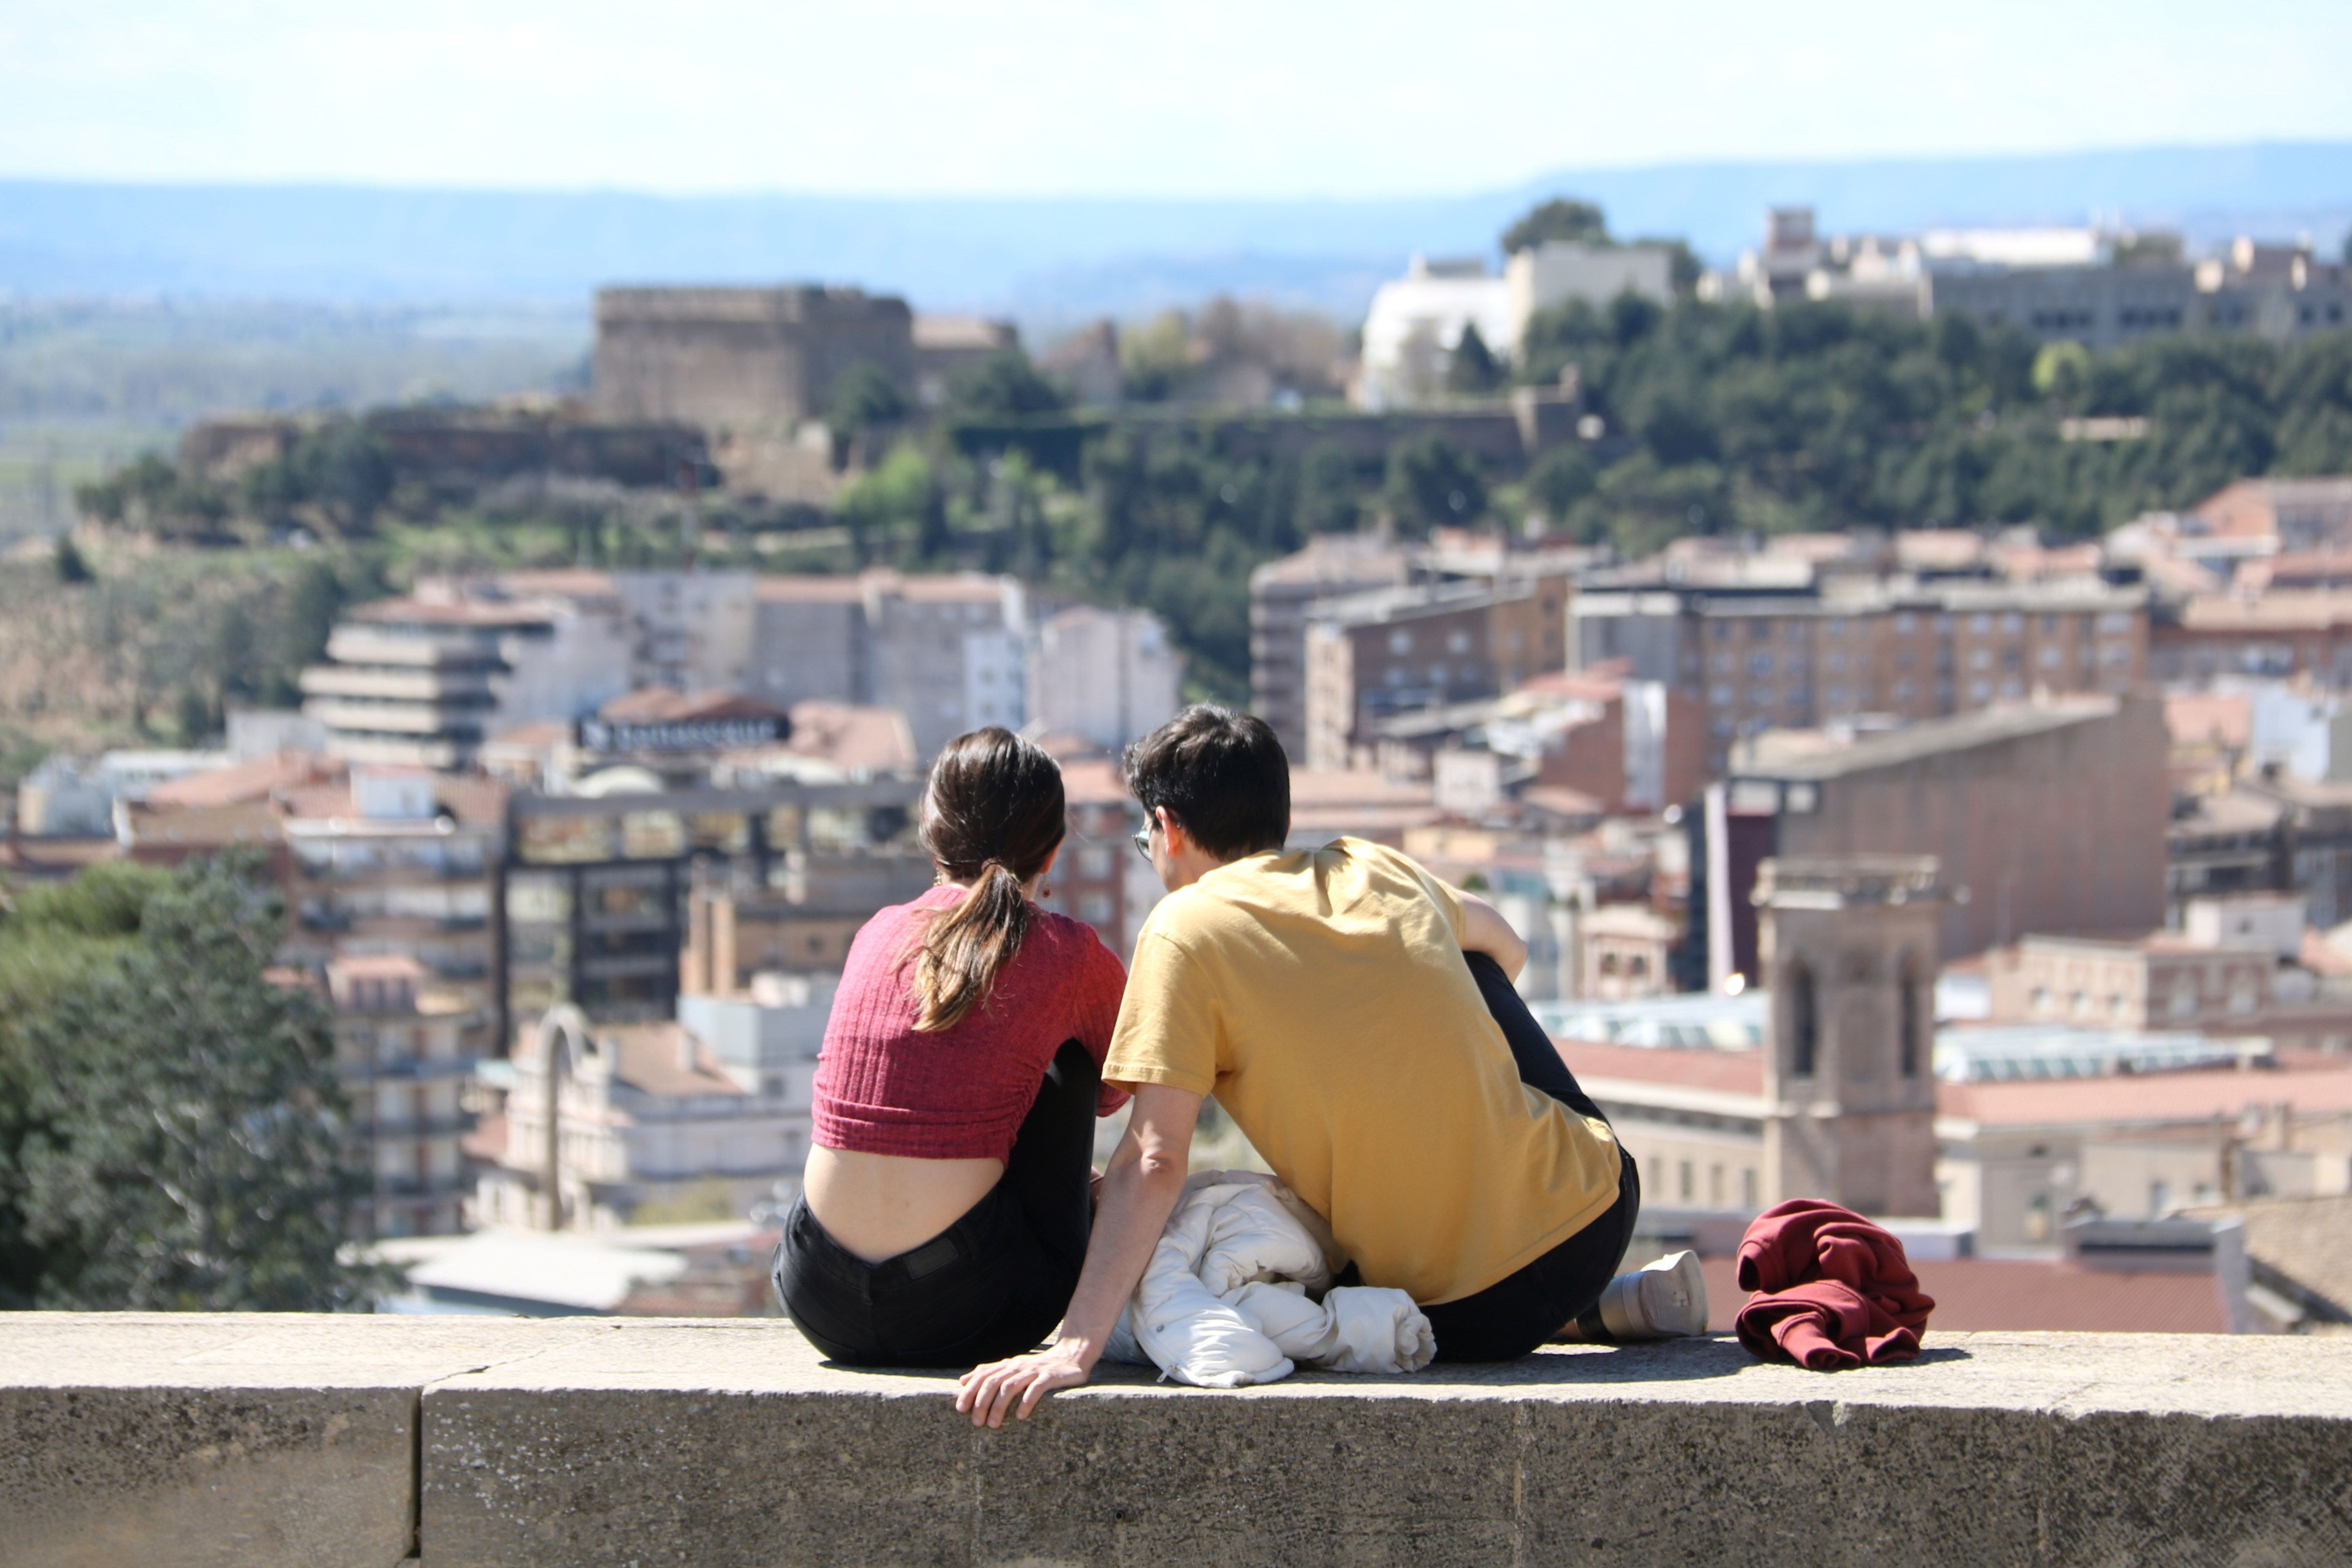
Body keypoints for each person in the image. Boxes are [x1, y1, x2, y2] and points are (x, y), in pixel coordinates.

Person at [957, 704, 1693, 1426]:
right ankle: (1595, 1308)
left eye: (1147, 840)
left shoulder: (1183, 929)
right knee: (1460, 951)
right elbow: (1508, 946)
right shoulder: (1369, 864)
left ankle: (1578, 1305)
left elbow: (1154, 1159)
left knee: (1272, 1259)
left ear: (1168, 828)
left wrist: (1074, 1347)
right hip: (1595, 1217)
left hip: (1455, 1318)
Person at [774, 727, 1130, 1367]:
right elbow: (1115, 1088)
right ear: (1051, 852)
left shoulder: (878, 930)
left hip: (813, 1292)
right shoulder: (1065, 951)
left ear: (931, 834)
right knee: (1067, 1065)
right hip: (972, 1307)